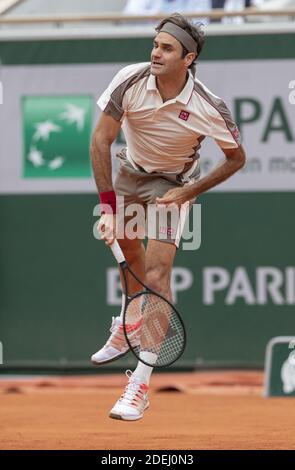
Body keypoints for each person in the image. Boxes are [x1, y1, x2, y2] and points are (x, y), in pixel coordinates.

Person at [90, 12, 246, 421]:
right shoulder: (131, 80)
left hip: (173, 185)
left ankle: (139, 385)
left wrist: (188, 191)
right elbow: (101, 140)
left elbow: (236, 158)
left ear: (188, 58)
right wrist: (107, 209)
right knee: (128, 250)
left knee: (158, 275)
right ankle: (129, 319)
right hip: (129, 173)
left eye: (166, 48)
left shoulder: (209, 106)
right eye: (155, 44)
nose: (155, 53)